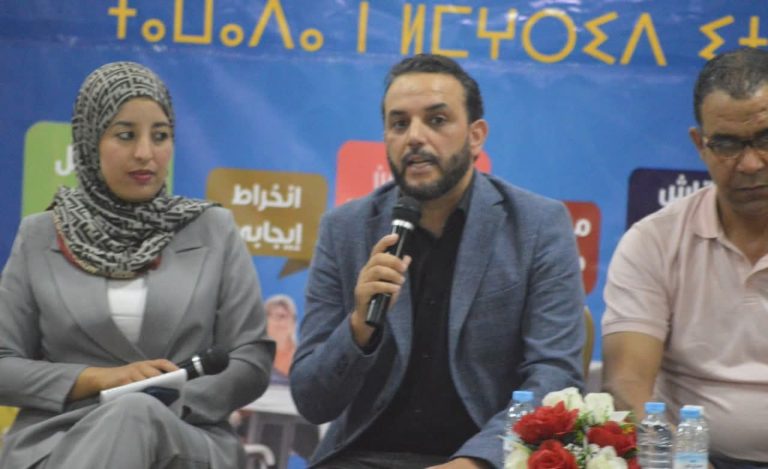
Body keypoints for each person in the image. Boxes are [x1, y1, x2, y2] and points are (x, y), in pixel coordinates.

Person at [291, 53, 585, 469]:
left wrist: (477, 460)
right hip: (363, 456)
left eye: (437, 120)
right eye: (399, 124)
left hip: (488, 457)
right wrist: (358, 328)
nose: (415, 137)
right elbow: (311, 401)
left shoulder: (538, 226)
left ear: (476, 136)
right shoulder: (346, 230)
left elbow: (554, 376)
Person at [0, 62, 274, 469]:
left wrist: (164, 400)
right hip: (60, 441)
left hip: (184, 438)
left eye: (160, 136)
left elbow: (250, 359)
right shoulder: (40, 235)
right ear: (89, 140)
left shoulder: (213, 230)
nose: (145, 153)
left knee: (135, 413)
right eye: (126, 135)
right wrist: (97, 379)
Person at [602, 47, 768, 468]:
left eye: (766, 138)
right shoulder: (653, 241)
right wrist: (679, 461)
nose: (750, 164)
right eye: (727, 144)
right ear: (700, 145)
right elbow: (626, 384)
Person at [265, 294, 298, 385]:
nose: (282, 322)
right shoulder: (255, 360)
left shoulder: (304, 357)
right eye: (277, 316)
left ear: (294, 324)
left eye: (286, 316)